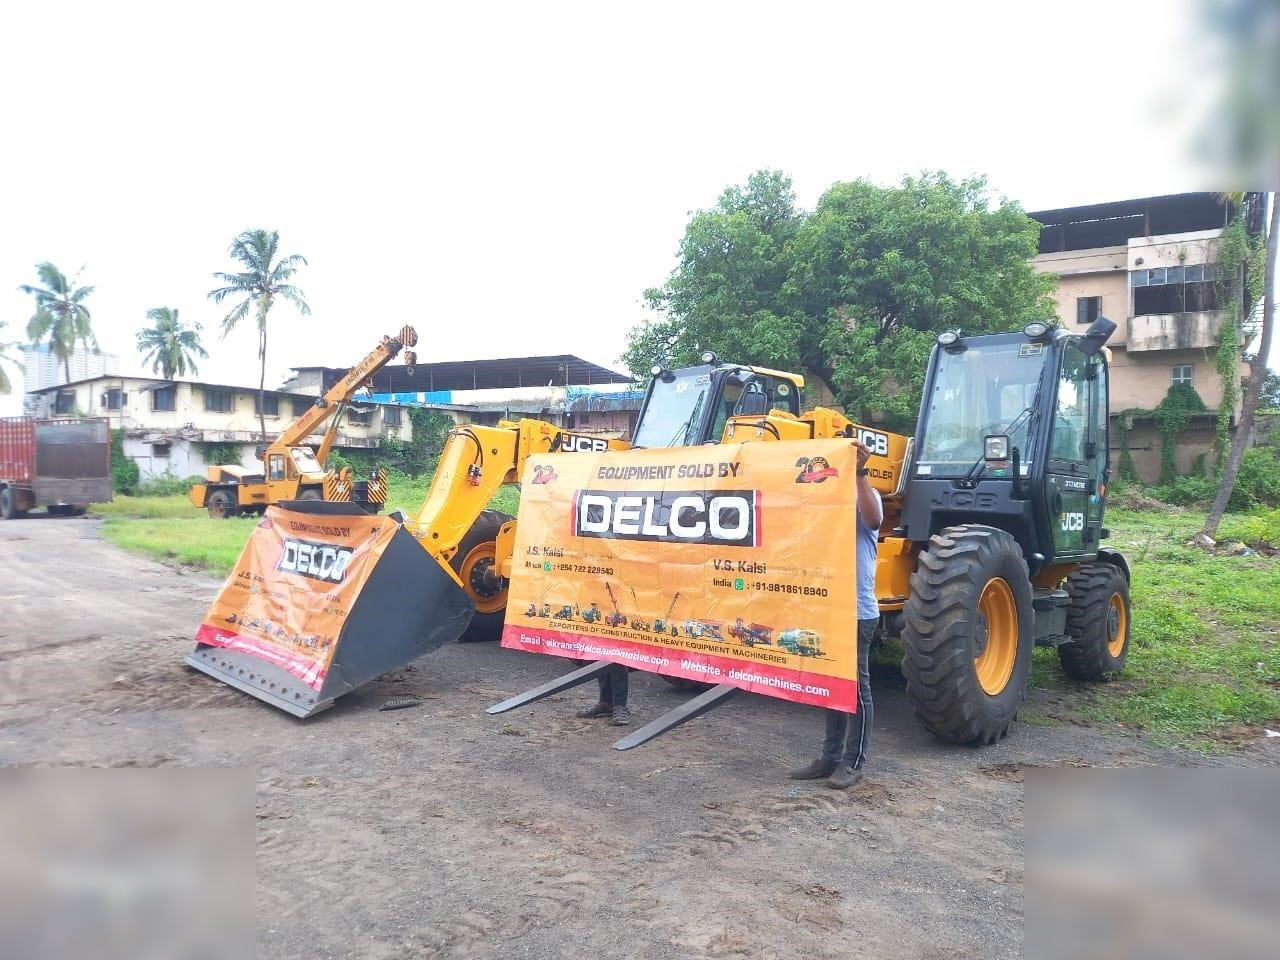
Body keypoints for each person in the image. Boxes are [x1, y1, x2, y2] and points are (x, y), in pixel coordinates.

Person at [790, 438, 882, 790]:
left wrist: (860, 471)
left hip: (857, 612)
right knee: (832, 686)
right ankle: (829, 758)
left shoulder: (865, 496)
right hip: (827, 609)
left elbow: (873, 520)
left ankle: (854, 761)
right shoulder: (823, 507)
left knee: (858, 689)